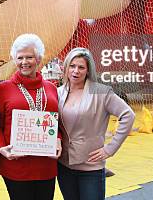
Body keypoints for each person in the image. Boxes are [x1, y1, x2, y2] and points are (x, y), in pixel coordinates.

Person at [57, 47, 135, 200]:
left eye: (81, 67)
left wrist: (110, 148)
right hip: (64, 166)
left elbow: (128, 115)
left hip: (90, 167)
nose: (76, 71)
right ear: (66, 67)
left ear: (88, 70)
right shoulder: (59, 92)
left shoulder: (101, 92)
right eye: (72, 66)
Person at [0, 34, 61, 200]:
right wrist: (1, 148)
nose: (24, 62)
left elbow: (56, 122)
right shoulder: (3, 89)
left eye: (29, 57)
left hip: (46, 164)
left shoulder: (51, 88)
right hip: (16, 165)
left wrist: (58, 139)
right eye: (20, 58)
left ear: (38, 58)